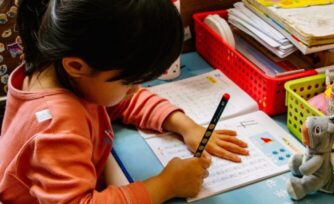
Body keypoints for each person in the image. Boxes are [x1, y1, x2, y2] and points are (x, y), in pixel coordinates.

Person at [0, 0, 249, 203]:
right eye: (129, 81)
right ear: (77, 65)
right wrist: (165, 185)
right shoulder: (58, 125)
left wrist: (185, 126)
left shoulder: (58, 66)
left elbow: (120, 100)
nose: (135, 90)